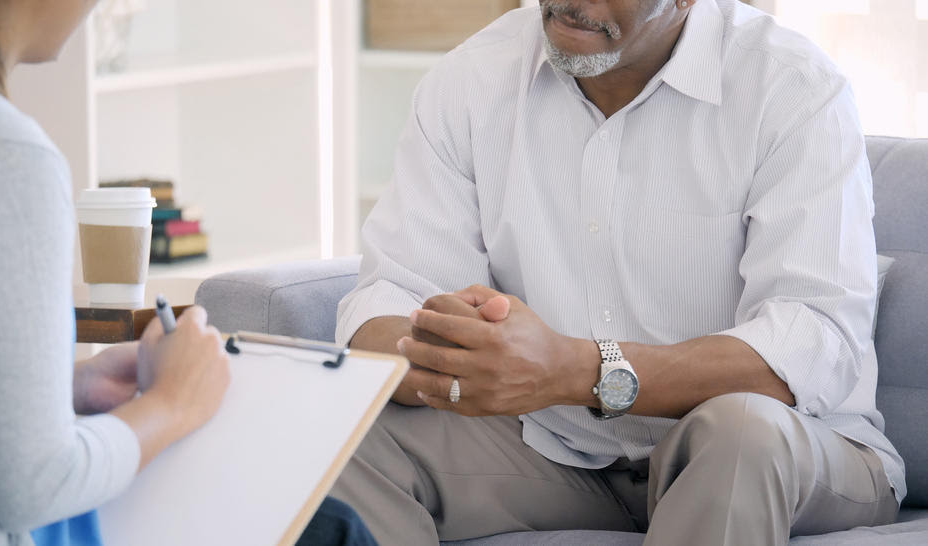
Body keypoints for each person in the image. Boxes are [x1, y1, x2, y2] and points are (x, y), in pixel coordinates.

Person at [330, 0, 905, 544]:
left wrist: (573, 370)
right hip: (555, 448)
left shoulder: (793, 87)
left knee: (740, 433)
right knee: (339, 445)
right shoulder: (471, 80)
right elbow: (392, 296)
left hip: (793, 449)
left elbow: (811, 348)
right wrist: (450, 354)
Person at [0, 1, 375, 545]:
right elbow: (35, 485)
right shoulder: (1, 156)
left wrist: (66, 387)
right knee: (334, 533)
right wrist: (172, 404)